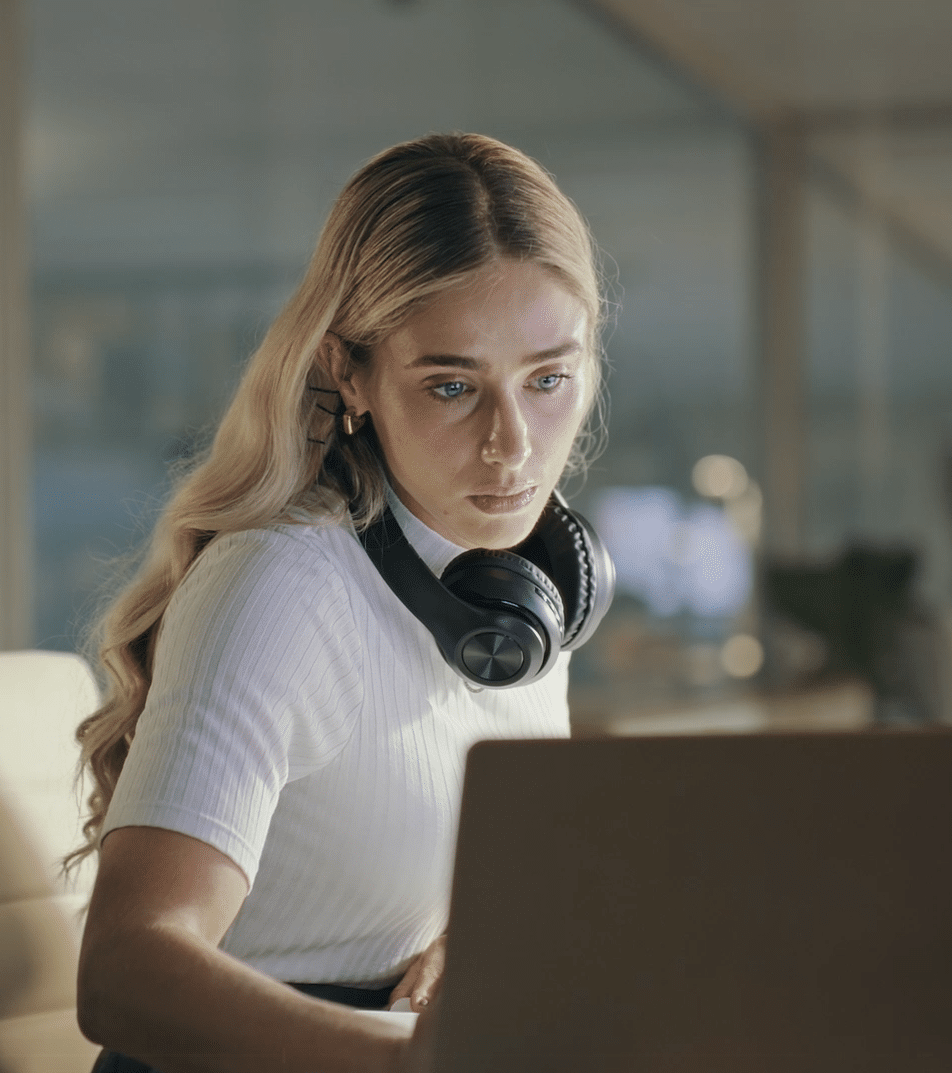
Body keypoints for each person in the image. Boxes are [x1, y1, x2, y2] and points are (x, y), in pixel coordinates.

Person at [69, 132, 605, 1073]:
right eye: (452, 385)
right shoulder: (284, 586)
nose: (511, 444)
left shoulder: (524, 608)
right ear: (348, 374)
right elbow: (124, 970)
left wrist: (471, 949)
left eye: (548, 379)